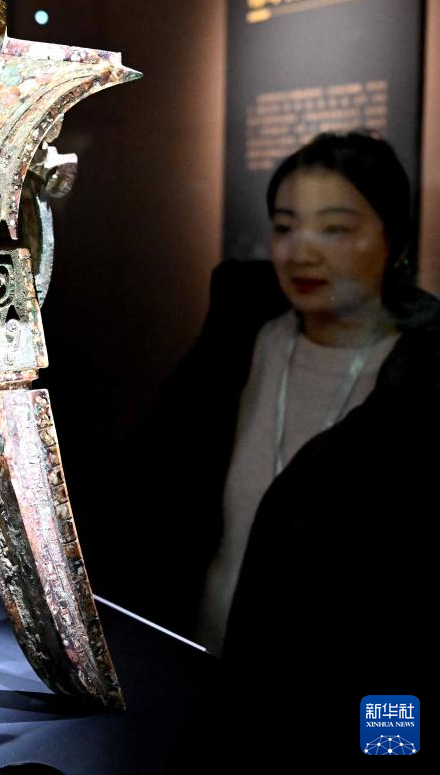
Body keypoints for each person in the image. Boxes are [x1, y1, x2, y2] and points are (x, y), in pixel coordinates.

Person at [155, 132, 436, 730]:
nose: (301, 251)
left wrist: (389, 741)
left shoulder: (423, 385)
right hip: (197, 692)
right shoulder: (238, 343)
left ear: (393, 239)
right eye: (286, 227)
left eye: (335, 229)